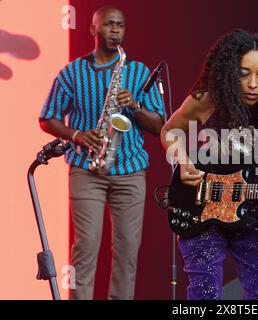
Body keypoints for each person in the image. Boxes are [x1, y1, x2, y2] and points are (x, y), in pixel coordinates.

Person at [160, 29, 258, 300]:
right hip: (200, 209)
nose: (253, 83)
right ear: (228, 71)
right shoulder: (206, 100)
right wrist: (183, 160)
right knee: (203, 294)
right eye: (243, 73)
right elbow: (170, 132)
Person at [39, 6, 164, 300]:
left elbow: (159, 125)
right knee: (85, 248)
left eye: (121, 25)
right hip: (86, 168)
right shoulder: (72, 72)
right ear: (94, 29)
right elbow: (47, 117)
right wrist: (77, 135)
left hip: (131, 170)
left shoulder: (138, 72)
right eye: (109, 24)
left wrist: (133, 105)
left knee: (127, 252)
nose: (116, 30)